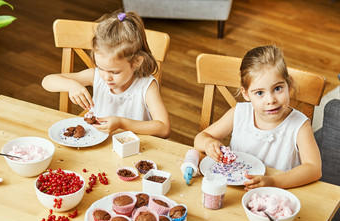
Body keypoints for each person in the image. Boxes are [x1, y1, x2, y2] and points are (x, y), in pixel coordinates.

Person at [194, 45, 322, 190]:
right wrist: (209, 144)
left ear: (289, 85)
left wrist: (273, 181)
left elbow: (314, 169)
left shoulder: (299, 125)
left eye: (278, 88)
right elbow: (200, 138)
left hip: (276, 194)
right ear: (246, 94)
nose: (271, 100)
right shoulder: (239, 113)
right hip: (234, 191)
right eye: (260, 93)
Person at [42, 11, 171, 138]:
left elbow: (164, 129)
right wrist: (71, 86)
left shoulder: (146, 86)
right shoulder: (96, 76)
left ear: (136, 61)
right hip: (99, 145)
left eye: (115, 72)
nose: (106, 77)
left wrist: (121, 123)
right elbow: (47, 81)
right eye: (101, 68)